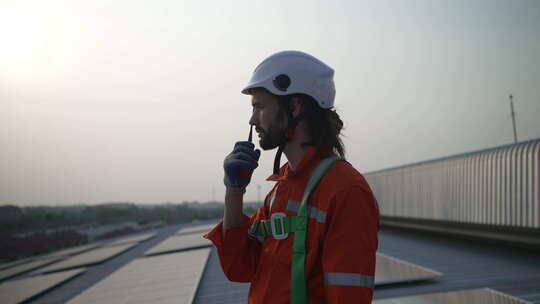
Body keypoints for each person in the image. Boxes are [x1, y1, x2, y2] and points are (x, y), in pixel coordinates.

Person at [204, 50, 379, 303]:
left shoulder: (345, 190)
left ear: (295, 106)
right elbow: (240, 267)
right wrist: (234, 191)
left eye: (260, 107)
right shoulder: (283, 189)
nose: (252, 120)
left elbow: (348, 296)